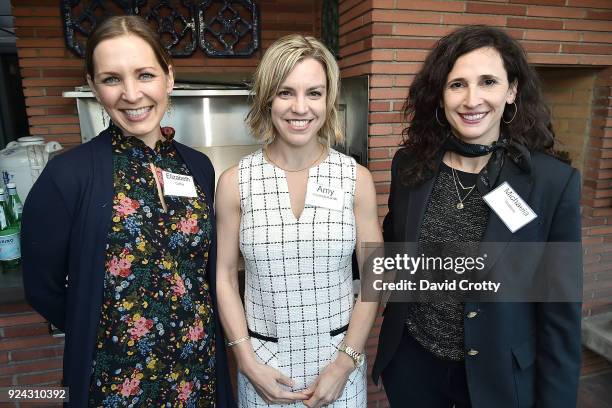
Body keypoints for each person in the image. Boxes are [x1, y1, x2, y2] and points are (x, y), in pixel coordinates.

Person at [21, 15, 234, 407]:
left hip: (197, 370)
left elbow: (205, 270)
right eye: (112, 79)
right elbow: (41, 286)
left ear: (169, 77)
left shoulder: (197, 166)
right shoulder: (67, 175)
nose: (132, 94)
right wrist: (103, 328)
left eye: (145, 74)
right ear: (93, 86)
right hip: (117, 379)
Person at [372, 25, 582, 407]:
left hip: (498, 378)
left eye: (488, 82)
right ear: (440, 93)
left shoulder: (553, 183)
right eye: (457, 85)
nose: (472, 100)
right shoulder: (410, 165)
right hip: (413, 364)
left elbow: (560, 312)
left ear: (512, 90)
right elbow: (395, 242)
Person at [215, 34, 382, 408]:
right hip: (263, 366)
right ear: (267, 98)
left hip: (339, 364)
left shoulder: (356, 178)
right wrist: (244, 359)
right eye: (285, 92)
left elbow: (375, 275)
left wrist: (345, 362)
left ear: (329, 99)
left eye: (314, 93)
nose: (300, 107)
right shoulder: (234, 183)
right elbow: (224, 276)